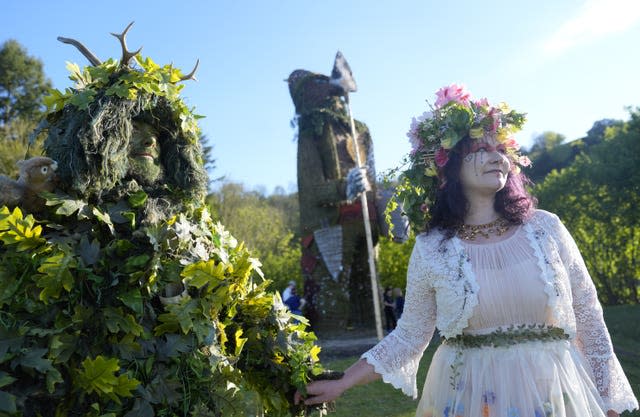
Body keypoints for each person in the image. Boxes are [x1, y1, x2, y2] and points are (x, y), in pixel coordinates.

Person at [295, 84, 638, 417]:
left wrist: (606, 399)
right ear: (448, 165)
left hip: (553, 395)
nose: (497, 158)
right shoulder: (432, 248)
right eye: (481, 150)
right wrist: (341, 383)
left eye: (501, 150)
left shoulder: (545, 228)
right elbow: (410, 335)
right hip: (469, 398)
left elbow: (589, 318)